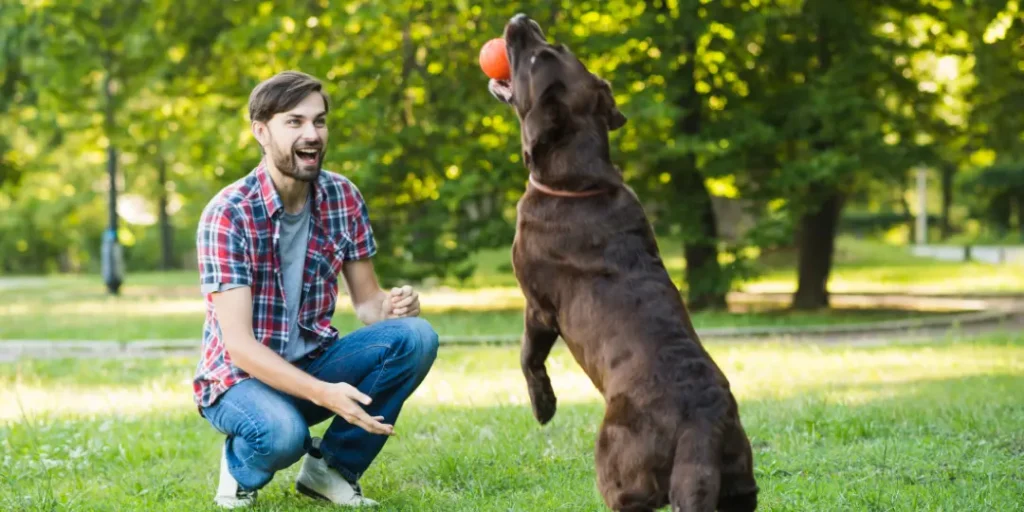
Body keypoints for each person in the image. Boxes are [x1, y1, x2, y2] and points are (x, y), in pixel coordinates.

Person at [192, 70, 439, 509]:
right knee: (284, 435)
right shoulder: (228, 214)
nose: (312, 134)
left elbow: (367, 304)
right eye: (295, 122)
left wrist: (395, 306)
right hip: (239, 380)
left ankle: (331, 470)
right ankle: (239, 465)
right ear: (261, 132)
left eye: (319, 121)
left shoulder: (342, 197)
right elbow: (240, 347)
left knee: (416, 337)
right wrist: (325, 394)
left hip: (313, 363)